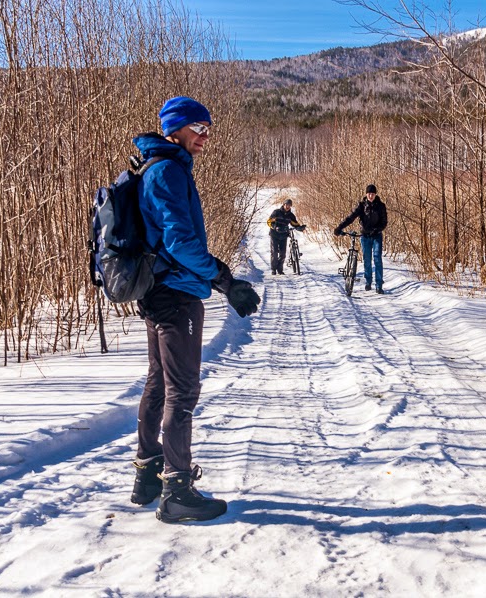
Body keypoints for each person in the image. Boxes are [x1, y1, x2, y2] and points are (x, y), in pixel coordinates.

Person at [129, 96, 261, 523]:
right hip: (176, 294)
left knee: (158, 383)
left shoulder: (156, 166)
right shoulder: (167, 170)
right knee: (181, 390)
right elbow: (182, 243)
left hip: (158, 290)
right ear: (176, 129)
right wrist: (224, 279)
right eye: (198, 127)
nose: (206, 136)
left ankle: (147, 475)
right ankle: (177, 489)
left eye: (208, 127)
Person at [334, 184, 388, 293]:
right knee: (367, 260)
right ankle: (368, 281)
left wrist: (377, 229)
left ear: (375, 194)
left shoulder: (381, 206)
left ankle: (379, 285)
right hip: (365, 236)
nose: (371, 196)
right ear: (366, 194)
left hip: (376, 236)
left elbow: (384, 222)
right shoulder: (362, 206)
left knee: (377, 258)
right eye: (369, 193)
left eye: (372, 194)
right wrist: (339, 227)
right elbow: (351, 217)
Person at [267, 198, 305, 274]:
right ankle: (273, 269)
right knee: (274, 252)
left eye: (289, 205)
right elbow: (269, 221)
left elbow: (295, 224)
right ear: (283, 205)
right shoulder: (276, 212)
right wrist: (275, 227)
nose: (288, 207)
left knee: (283, 253)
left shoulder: (290, 215)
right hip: (274, 234)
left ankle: (280, 270)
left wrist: (300, 227)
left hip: (284, 235)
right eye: (286, 205)